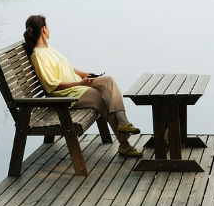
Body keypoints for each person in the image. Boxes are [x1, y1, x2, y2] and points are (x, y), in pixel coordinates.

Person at [22, 14, 143, 157]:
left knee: (108, 81)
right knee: (102, 98)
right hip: (67, 95)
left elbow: (68, 68)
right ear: (43, 30)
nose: (50, 29)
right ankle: (124, 145)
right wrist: (80, 83)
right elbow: (52, 85)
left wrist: (84, 74)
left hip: (79, 85)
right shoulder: (38, 56)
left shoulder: (49, 49)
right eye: (48, 26)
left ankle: (123, 121)